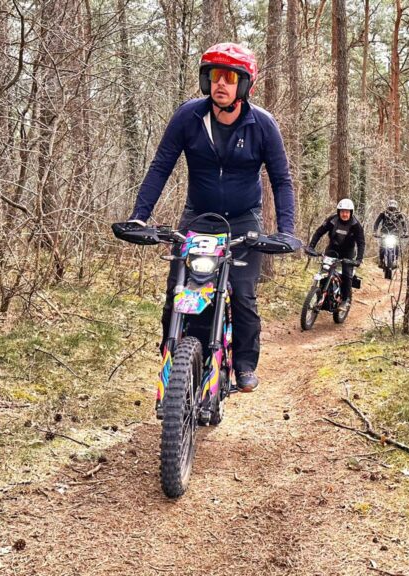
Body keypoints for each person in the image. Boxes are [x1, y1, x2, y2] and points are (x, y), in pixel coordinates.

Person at [127, 42, 297, 393]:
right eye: (216, 75)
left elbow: (281, 179)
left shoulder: (262, 125)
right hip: (198, 217)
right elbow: (161, 166)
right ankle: (175, 360)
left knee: (243, 292)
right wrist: (139, 217)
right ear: (206, 80)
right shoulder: (188, 117)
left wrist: (286, 230)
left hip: (244, 220)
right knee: (178, 291)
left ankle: (245, 363)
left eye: (230, 78)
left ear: (244, 85)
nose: (221, 83)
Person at [308, 198, 365, 312]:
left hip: (348, 253)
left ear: (351, 212)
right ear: (339, 212)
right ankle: (322, 296)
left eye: (347, 212)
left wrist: (358, 259)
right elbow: (319, 232)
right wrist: (311, 247)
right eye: (342, 211)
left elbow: (361, 242)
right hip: (332, 250)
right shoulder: (332, 220)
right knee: (324, 270)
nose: (344, 214)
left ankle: (345, 300)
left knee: (347, 274)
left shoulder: (356, 225)